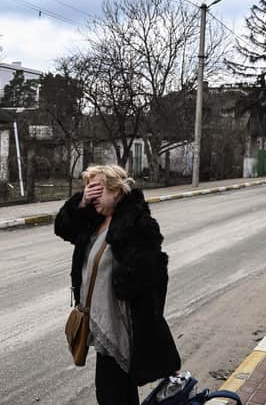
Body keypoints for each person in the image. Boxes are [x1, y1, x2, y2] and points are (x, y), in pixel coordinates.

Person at [55, 164, 181, 405]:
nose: (92, 196)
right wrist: (81, 202)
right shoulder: (95, 220)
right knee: (115, 395)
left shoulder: (137, 224)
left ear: (117, 191)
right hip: (103, 327)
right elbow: (62, 228)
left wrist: (127, 281)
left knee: (112, 395)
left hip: (122, 328)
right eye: (88, 190)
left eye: (97, 190)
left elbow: (153, 279)